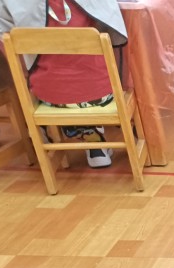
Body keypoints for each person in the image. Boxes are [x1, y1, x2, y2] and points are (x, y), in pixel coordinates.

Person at [26, 0, 121, 167]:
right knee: (95, 71)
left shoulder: (22, 6)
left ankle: (88, 140)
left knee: (56, 76)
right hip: (99, 94)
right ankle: (95, 143)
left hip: (48, 97)